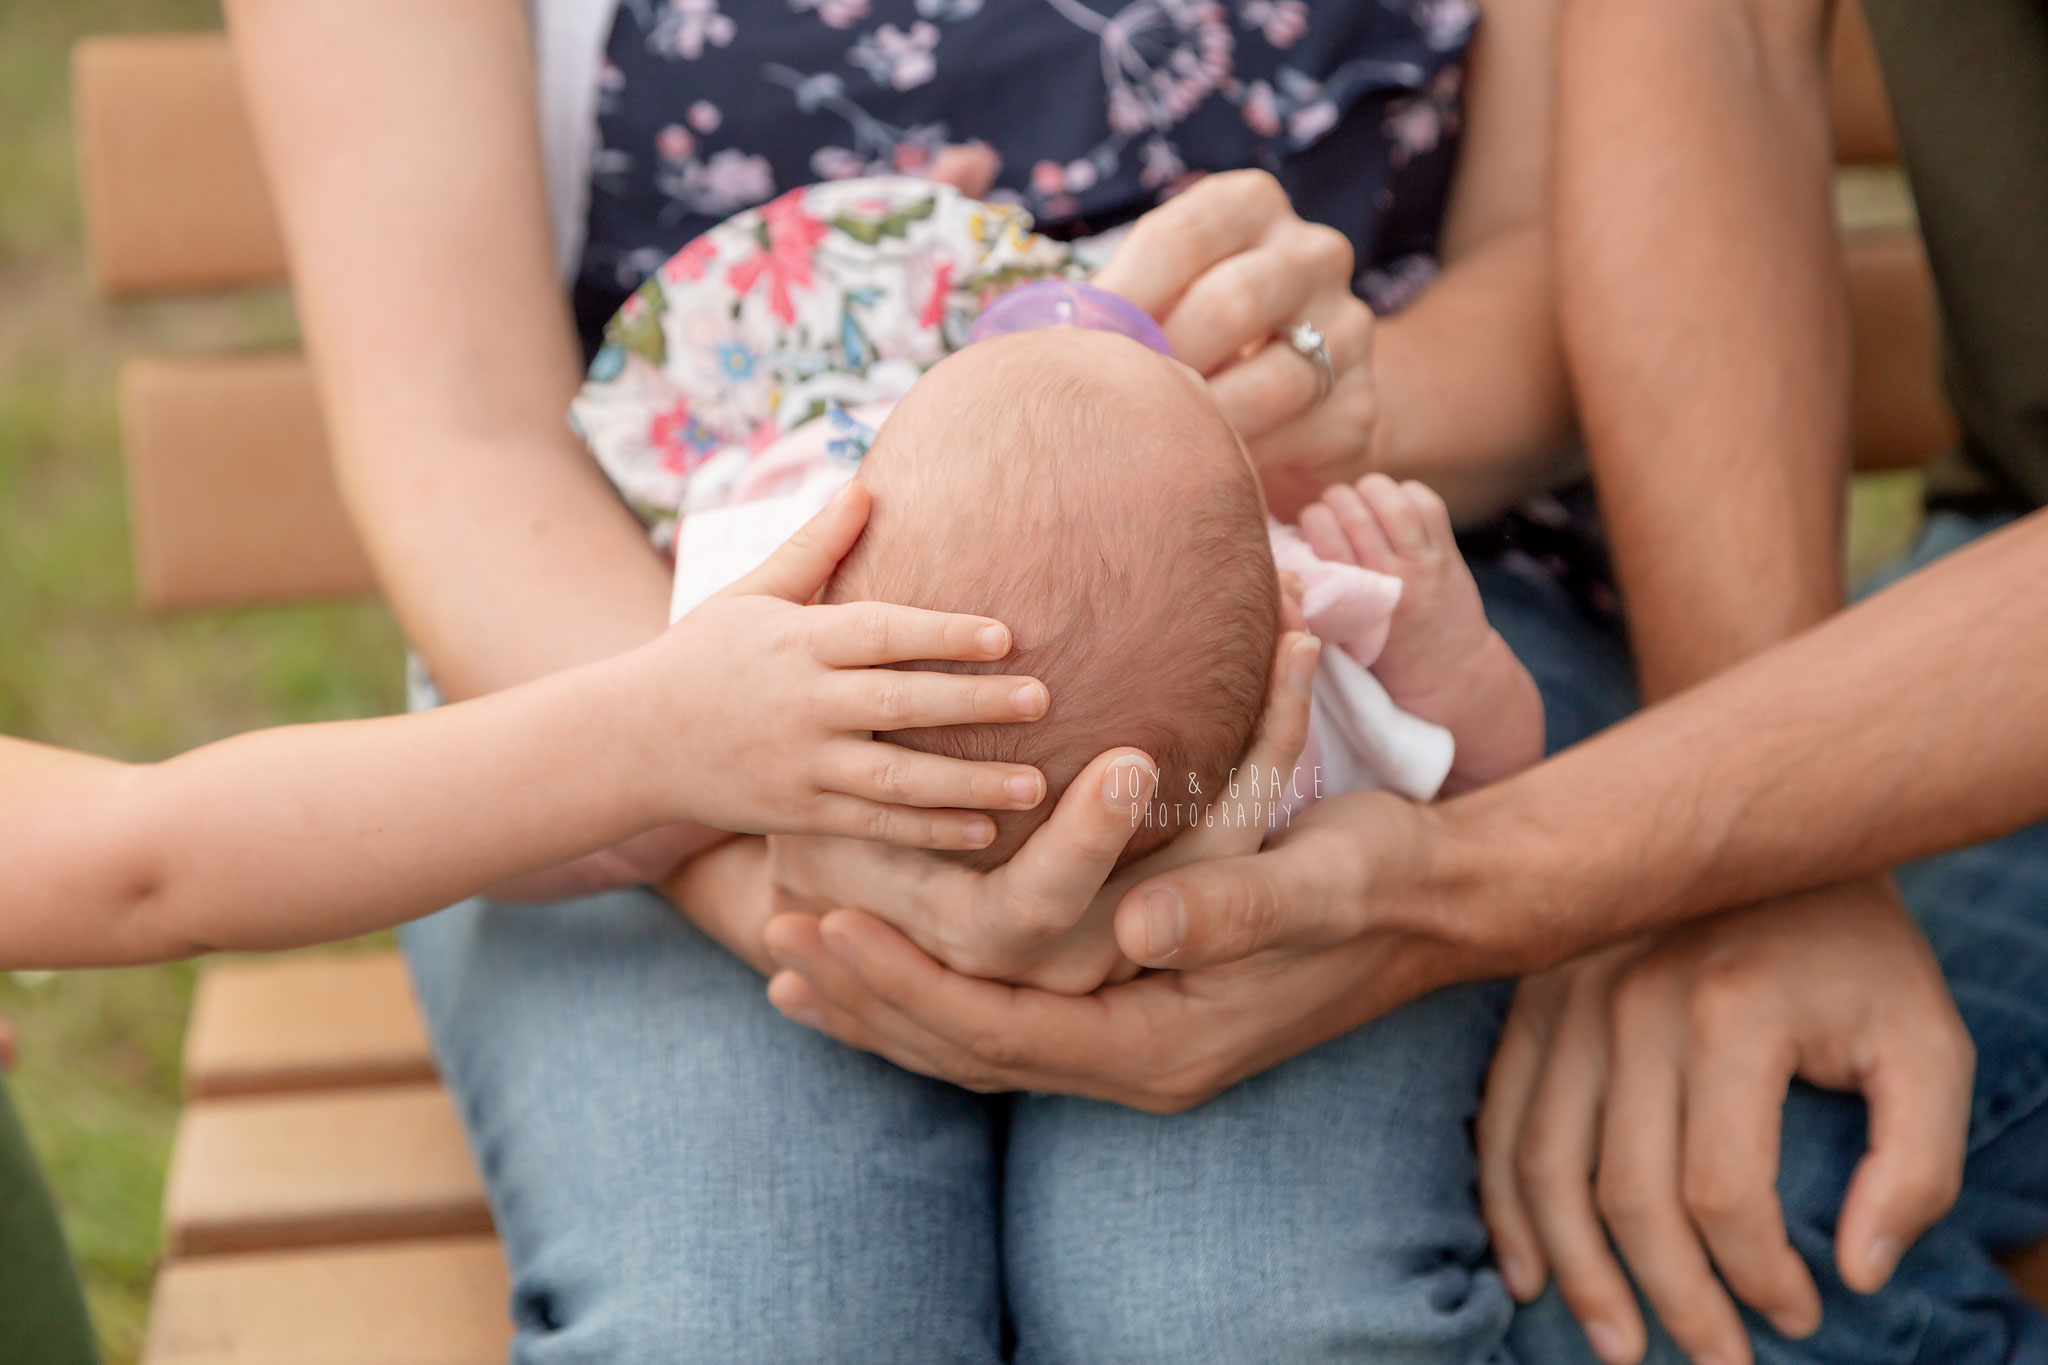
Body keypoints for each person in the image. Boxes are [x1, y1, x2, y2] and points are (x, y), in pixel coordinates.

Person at [226, 0, 1596, 1356]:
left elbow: (551, 830)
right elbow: (1465, 761)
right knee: (772, 1324)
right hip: (601, 610)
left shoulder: (803, 538)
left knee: (1224, 1309)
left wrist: (670, 807)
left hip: (1304, 525)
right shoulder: (1308, 645)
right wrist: (753, 872)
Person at [762, 5, 2048, 1365]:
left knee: (1695, 1247)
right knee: (1626, 1235)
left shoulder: (1307, 617)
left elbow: (1466, 755)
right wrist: (1758, 833)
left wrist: (1677, 858)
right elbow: (1712, 31)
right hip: (1982, 580)